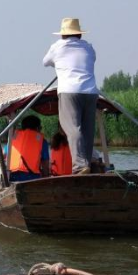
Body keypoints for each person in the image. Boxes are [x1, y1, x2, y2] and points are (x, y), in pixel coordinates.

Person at [43, 17, 98, 174]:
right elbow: (92, 60)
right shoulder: (88, 47)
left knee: (72, 127)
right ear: (80, 35)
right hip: (91, 92)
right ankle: (86, 164)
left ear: (62, 35)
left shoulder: (58, 47)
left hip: (69, 90)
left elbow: (45, 62)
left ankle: (80, 166)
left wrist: (58, 63)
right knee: (88, 130)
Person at [5, 115, 49, 182]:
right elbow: (45, 164)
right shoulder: (42, 141)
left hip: (12, 177)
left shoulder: (14, 137)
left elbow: (4, 154)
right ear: (37, 128)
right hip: (31, 179)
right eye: (40, 128)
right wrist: (47, 178)